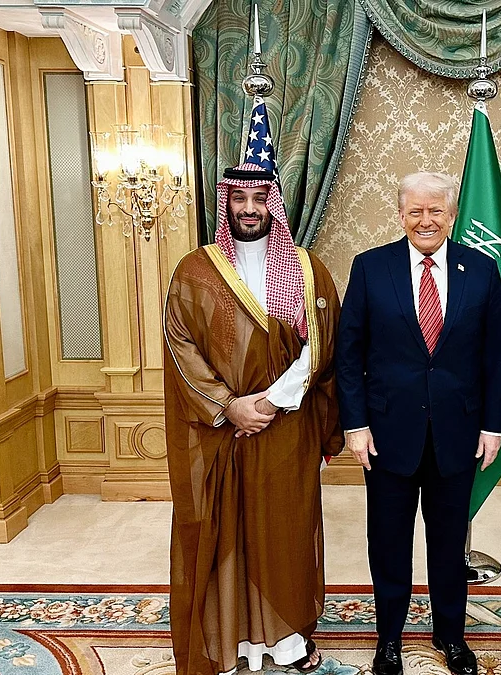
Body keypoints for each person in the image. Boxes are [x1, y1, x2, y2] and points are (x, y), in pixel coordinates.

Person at [163, 163, 343, 675]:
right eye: (238, 198)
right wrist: (229, 405)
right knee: (225, 531)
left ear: (275, 205)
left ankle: (285, 641)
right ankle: (233, 641)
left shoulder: (309, 269)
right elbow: (180, 347)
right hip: (219, 431)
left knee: (284, 529)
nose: (248, 208)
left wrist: (268, 403)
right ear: (226, 203)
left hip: (286, 429)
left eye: (258, 198)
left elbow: (325, 347)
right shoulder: (194, 270)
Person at [336, 172, 501, 675]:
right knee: (388, 542)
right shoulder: (371, 268)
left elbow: (496, 355)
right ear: (400, 215)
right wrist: (355, 425)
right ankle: (388, 640)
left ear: (451, 215)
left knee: (449, 543)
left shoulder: (480, 269)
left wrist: (494, 426)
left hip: (457, 433)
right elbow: (349, 355)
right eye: (416, 211)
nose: (426, 220)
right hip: (387, 435)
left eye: (436, 210)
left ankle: (450, 637)